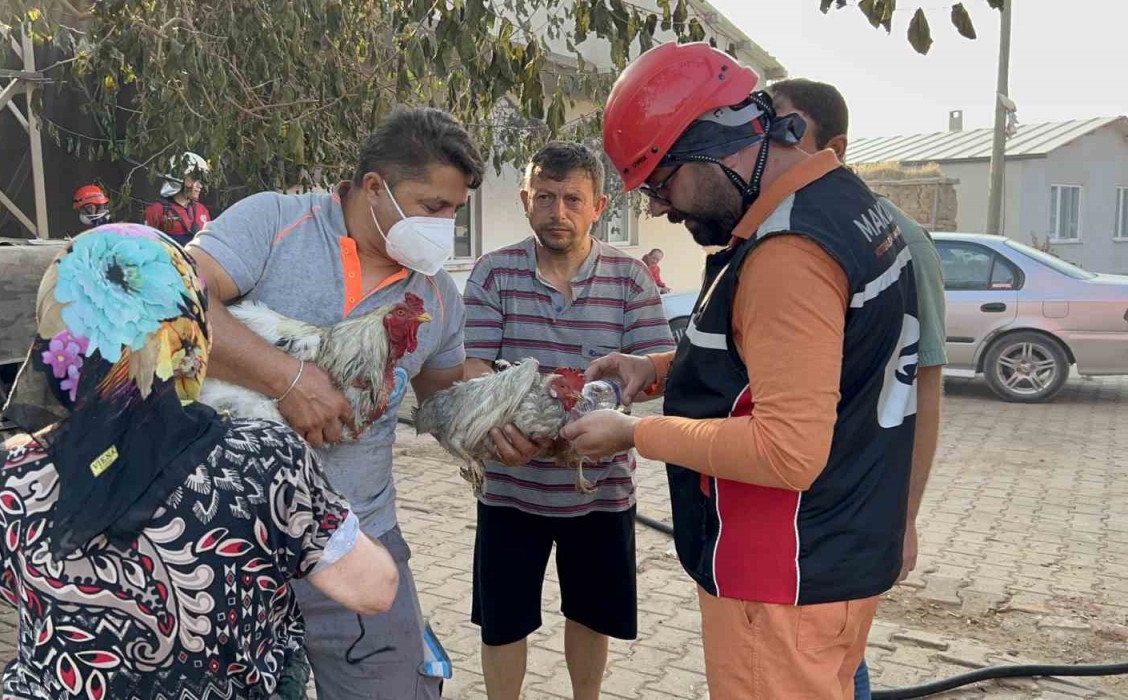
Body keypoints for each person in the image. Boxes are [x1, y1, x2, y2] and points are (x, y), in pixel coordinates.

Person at [563, 42, 920, 699]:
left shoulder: (789, 254)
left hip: (781, 577)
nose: (664, 210)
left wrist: (631, 434)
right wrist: (657, 368)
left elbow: (786, 451)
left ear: (714, 143)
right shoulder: (840, 205)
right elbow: (795, 356)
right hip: (837, 552)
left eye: (662, 183)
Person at [0, 223, 399, 700]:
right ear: (190, 329)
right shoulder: (263, 459)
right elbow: (374, 589)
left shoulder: (7, 470)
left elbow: (12, 588)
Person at [188, 106, 483, 699]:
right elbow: (172, 297)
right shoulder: (273, 222)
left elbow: (442, 397)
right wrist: (288, 380)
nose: (444, 224)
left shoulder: (438, 293)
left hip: (360, 541)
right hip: (229, 545)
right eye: (432, 207)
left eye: (455, 211)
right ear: (375, 187)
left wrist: (495, 422)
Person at [461, 142, 675, 700]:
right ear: (526, 199)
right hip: (510, 484)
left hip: (601, 487)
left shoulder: (630, 279)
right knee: (504, 620)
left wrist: (625, 406)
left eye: (573, 199)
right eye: (546, 197)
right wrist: (497, 425)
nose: (559, 212)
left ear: (599, 204)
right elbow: (474, 363)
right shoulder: (493, 273)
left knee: (591, 614)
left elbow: (658, 371)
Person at [768, 77, 948, 700]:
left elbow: (919, 390)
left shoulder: (895, 242)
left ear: (835, 147)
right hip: (793, 519)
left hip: (850, 511)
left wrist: (905, 518)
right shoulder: (774, 229)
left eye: (785, 130)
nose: (765, 146)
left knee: (837, 663)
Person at [145, 151, 212, 246]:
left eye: (201, 181)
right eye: (194, 180)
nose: (200, 186)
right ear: (179, 179)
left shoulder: (202, 210)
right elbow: (147, 244)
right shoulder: (157, 210)